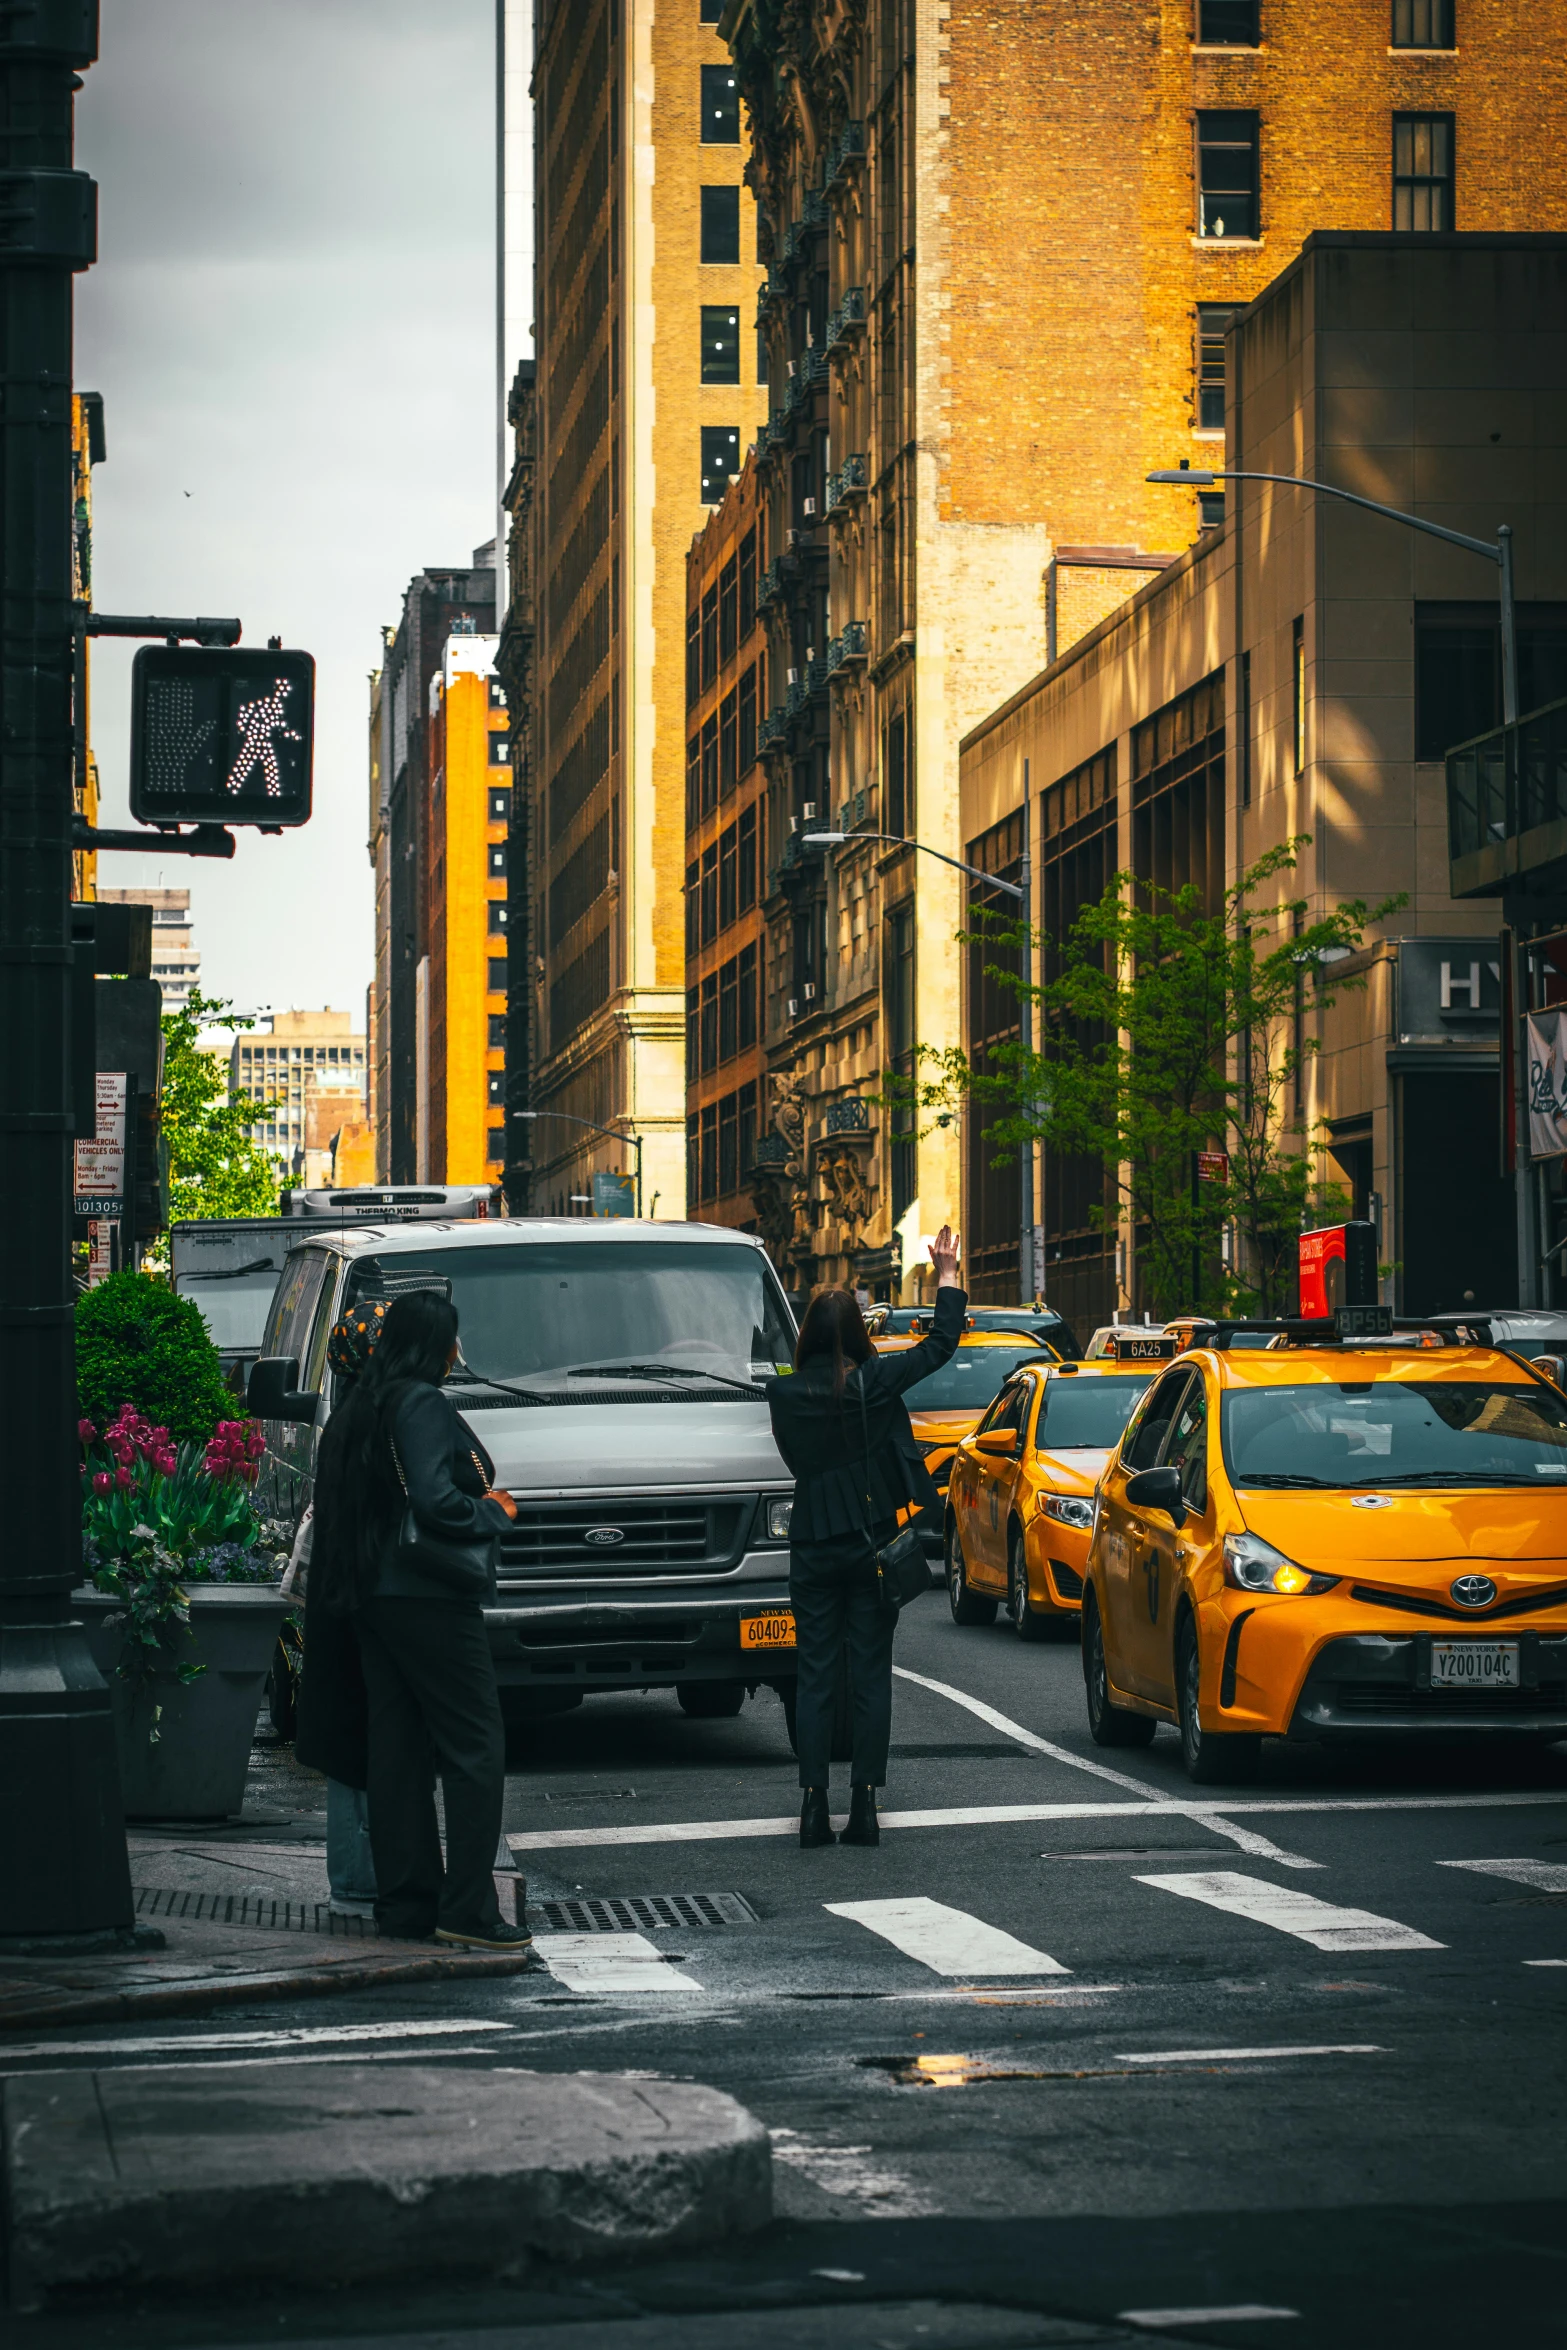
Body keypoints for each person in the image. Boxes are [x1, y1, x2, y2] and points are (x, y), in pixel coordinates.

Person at [309, 1289, 528, 1949]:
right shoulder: (423, 1402)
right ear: (434, 1345)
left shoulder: (364, 1405)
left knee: (397, 1751)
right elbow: (436, 1503)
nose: (459, 1351)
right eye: (452, 1339)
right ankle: (467, 1908)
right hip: (430, 1597)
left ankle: (406, 1903)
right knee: (475, 1748)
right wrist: (495, 1512)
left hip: (373, 1597)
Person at [766, 1225, 966, 1848]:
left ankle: (811, 1808)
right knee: (871, 1674)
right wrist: (947, 1276)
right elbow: (939, 1346)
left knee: (816, 1674)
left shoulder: (782, 1394)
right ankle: (866, 1809)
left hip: (812, 1545)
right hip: (872, 1544)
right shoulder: (874, 1383)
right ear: (855, 1332)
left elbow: (799, 1463)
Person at [289, 1301, 388, 1918]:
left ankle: (355, 1875)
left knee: (349, 1745)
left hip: (335, 1606)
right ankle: (358, 1879)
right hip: (356, 1608)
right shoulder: (366, 1426)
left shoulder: (345, 1423)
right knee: (361, 1745)